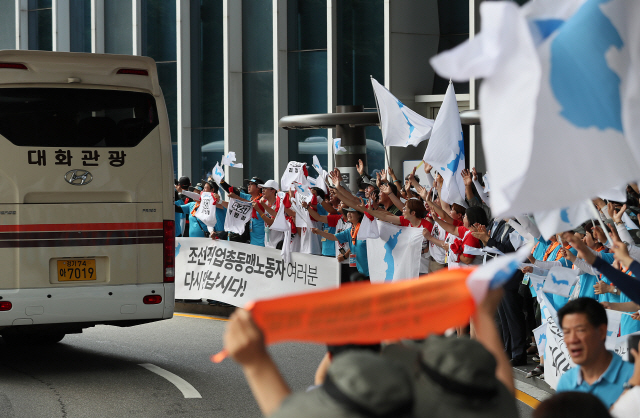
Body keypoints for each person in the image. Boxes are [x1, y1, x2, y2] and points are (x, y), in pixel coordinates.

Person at [556, 298, 634, 408]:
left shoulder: (634, 377)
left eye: (580, 330)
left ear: (602, 332)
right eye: (566, 332)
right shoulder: (566, 382)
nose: (572, 339)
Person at [312, 207, 369, 280]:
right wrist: (319, 232)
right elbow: (333, 237)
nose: (348, 214)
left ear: (359, 215)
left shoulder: (366, 229)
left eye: (352, 212)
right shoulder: (350, 230)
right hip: (358, 268)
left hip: (369, 269)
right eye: (348, 212)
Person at [219, 176, 266, 246]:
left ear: (258, 187)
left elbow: (252, 204)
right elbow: (233, 191)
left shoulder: (263, 200)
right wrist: (221, 181)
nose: (248, 186)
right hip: (252, 241)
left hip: (263, 242)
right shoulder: (247, 197)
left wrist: (237, 197)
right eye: (248, 184)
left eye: (251, 184)